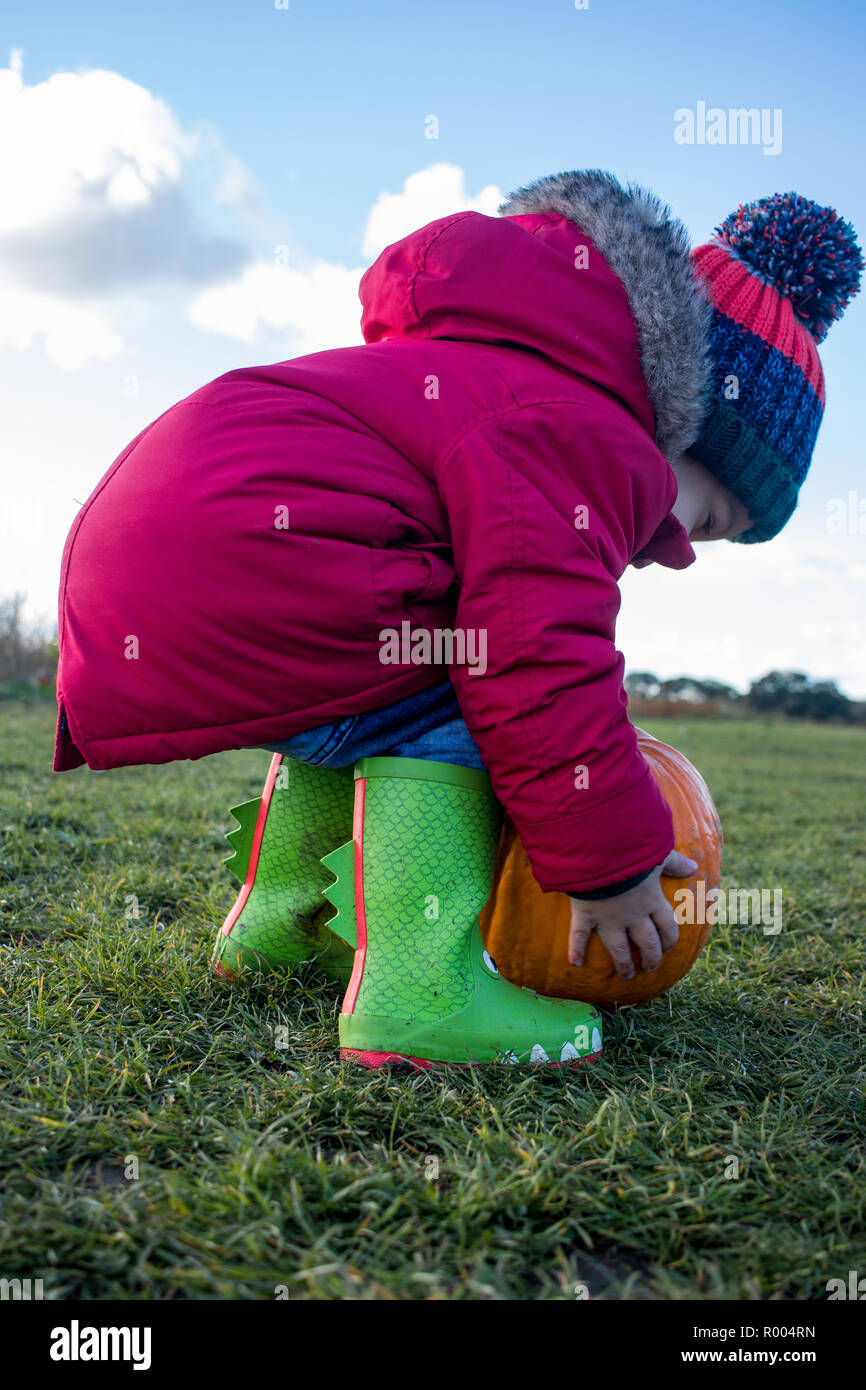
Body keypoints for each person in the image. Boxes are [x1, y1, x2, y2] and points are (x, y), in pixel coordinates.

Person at [53, 171, 862, 1069]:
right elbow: (538, 661)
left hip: (147, 556)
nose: (686, 545)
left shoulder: (491, 373)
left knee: (383, 678)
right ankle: (417, 992)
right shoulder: (592, 433)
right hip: (264, 557)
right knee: (470, 687)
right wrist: (611, 862)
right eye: (710, 519)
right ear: (687, 428)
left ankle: (281, 928)